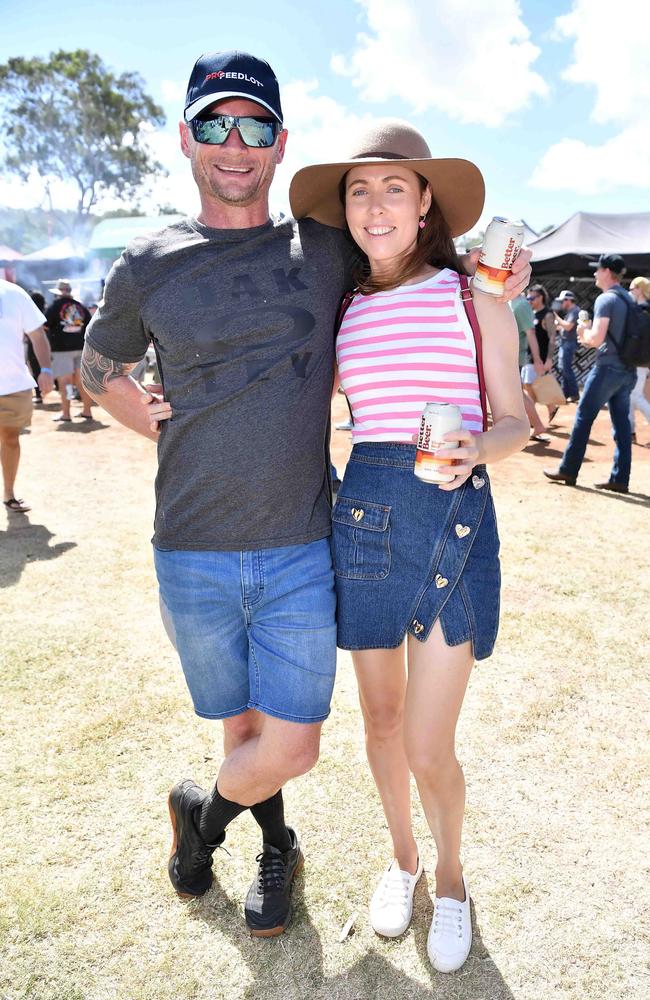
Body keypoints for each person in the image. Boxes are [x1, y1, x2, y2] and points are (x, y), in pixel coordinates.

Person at [82, 51, 532, 939]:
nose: (235, 143)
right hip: (256, 532)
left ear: (280, 144)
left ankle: (421, 875)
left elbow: (447, 306)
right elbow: (102, 365)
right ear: (187, 138)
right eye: (215, 124)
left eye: (254, 126)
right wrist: (151, 418)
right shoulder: (187, 263)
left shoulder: (361, 264)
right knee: (283, 725)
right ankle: (315, 854)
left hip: (359, 529)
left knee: (346, 740)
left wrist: (494, 288)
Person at [289, 120, 529, 973]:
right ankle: (403, 861)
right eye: (359, 189)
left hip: (455, 518)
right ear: (345, 210)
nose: (376, 203)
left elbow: (515, 421)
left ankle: (454, 882)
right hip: (365, 519)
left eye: (395, 186)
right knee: (382, 721)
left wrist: (479, 447)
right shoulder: (342, 304)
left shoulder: (476, 297)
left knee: (429, 743)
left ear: (426, 202)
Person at [544, 253, 637, 492]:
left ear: (607, 272)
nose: (595, 273)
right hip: (628, 369)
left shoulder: (606, 300)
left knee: (583, 417)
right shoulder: (629, 298)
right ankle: (620, 478)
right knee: (622, 426)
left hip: (607, 367)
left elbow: (596, 338)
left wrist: (584, 334)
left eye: (598, 269)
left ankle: (568, 469)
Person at [0, 279, 54, 512]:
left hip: (13, 384)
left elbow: (38, 336)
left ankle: (9, 494)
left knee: (11, 438)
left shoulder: (13, 293)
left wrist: (46, 369)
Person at [46, 279, 94, 422]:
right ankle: (87, 411)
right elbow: (90, 325)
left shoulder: (55, 306)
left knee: (65, 382)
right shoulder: (80, 306)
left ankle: (66, 414)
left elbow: (44, 325)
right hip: (81, 347)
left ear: (59, 292)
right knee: (82, 382)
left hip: (62, 349)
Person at [510, 292, 550, 442]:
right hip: (510, 355)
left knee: (517, 394)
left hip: (514, 357)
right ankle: (536, 425)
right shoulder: (514, 302)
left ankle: (537, 425)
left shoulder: (521, 305)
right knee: (517, 393)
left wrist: (538, 359)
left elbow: (531, 334)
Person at [523, 284, 559, 426]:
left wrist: (549, 359)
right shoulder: (531, 314)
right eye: (528, 298)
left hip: (541, 358)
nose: (529, 300)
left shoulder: (547, 314)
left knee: (532, 384)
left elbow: (552, 338)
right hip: (530, 356)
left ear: (541, 297)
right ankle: (550, 408)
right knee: (530, 385)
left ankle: (533, 417)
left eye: (532, 297)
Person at [628, 276, 650, 444]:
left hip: (639, 360)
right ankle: (630, 432)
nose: (629, 291)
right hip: (641, 361)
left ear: (640, 290)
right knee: (631, 396)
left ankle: (630, 431)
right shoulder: (643, 308)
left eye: (632, 288)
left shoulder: (642, 310)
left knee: (636, 397)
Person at [553, 289, 580, 402]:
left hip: (569, 343)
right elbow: (566, 327)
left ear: (568, 300)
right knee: (564, 369)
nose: (561, 304)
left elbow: (568, 326)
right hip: (565, 342)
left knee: (566, 369)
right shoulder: (571, 311)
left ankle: (574, 394)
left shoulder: (575, 311)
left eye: (563, 301)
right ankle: (565, 394)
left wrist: (556, 317)